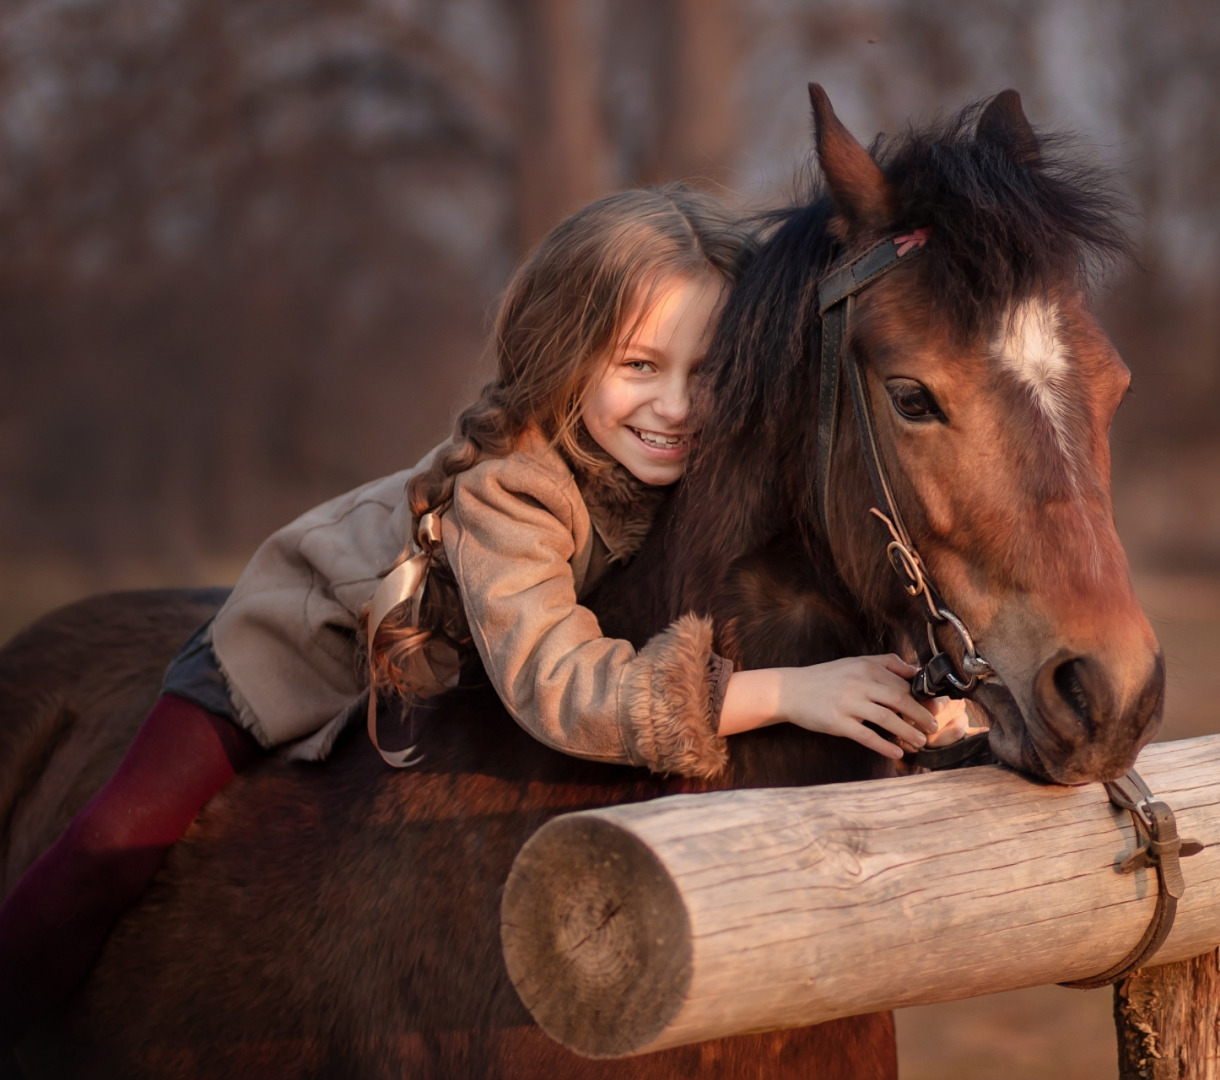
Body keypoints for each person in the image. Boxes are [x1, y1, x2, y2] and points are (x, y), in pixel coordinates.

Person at [0, 185, 938, 1045]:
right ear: (565, 359)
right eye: (641, 364)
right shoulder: (514, 495)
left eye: (708, 370)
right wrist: (787, 693)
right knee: (115, 844)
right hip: (296, 649)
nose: (677, 406)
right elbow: (568, 691)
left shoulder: (697, 468)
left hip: (461, 664)